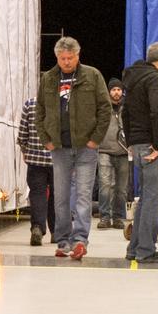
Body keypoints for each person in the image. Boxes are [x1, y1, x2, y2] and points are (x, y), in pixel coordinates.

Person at [34, 37, 111, 261]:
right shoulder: (48, 79)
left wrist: (95, 139)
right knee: (60, 197)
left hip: (86, 148)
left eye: (70, 58)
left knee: (83, 196)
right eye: (62, 58)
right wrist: (45, 139)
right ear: (57, 57)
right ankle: (63, 241)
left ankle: (80, 241)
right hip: (59, 148)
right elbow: (39, 111)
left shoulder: (92, 75)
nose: (66, 62)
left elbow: (105, 109)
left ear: (78, 56)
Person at [122, 41, 158, 264]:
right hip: (153, 146)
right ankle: (146, 250)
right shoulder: (154, 79)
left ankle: (134, 248)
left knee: (145, 199)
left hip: (139, 144)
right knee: (155, 201)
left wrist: (132, 142)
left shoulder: (133, 79)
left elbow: (125, 112)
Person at [17, 97, 54, 246]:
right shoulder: (63, 102)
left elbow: (22, 133)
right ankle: (57, 232)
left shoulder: (30, 104)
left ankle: (37, 227)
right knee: (57, 197)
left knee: (37, 194)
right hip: (58, 159)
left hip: (35, 159)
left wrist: (25, 150)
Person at [97, 78, 129, 230]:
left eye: (119, 89)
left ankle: (118, 217)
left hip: (123, 151)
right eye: (113, 89)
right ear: (109, 92)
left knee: (121, 189)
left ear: (122, 91)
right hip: (104, 150)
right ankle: (104, 217)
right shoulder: (102, 107)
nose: (116, 92)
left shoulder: (128, 108)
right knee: (105, 186)